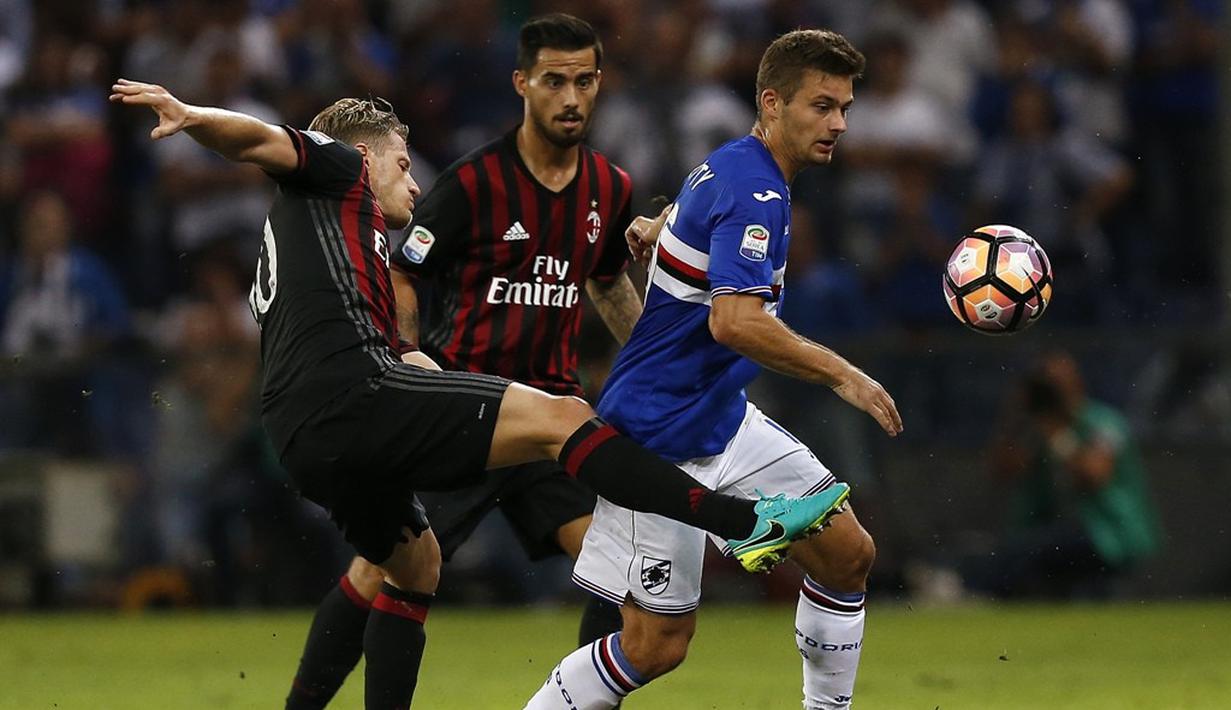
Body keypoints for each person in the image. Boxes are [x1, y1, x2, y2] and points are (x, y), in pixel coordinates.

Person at [110, 75, 849, 709]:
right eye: (401, 165)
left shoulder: (317, 224)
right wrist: (195, 116)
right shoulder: (337, 170)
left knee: (413, 565)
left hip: (303, 429)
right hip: (363, 394)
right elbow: (263, 141)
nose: (412, 181)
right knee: (565, 417)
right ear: (363, 156)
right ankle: (741, 521)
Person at [525, 29, 902, 710]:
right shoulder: (756, 191)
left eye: (844, 107)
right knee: (653, 647)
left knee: (847, 555)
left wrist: (657, 226)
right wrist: (840, 373)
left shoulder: (735, 167)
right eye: (821, 106)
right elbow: (734, 322)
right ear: (771, 102)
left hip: (720, 420)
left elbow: (694, 221)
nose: (838, 124)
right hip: (654, 436)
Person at [284, 14, 636, 708]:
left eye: (584, 81)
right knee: (381, 569)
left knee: (619, 571)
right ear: (522, 85)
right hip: (465, 409)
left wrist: (656, 357)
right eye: (554, 81)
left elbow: (605, 282)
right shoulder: (475, 182)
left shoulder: (608, 187)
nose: (571, 97)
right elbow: (406, 270)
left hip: (549, 418)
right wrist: (410, 351)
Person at [961, 351, 1160, 599]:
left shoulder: (1103, 422)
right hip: (1053, 527)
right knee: (1012, 551)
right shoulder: (1035, 428)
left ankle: (974, 594)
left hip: (1106, 532)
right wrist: (1013, 414)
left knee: (1026, 552)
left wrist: (1058, 433)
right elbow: (1001, 471)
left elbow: (1094, 476)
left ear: (1076, 385)